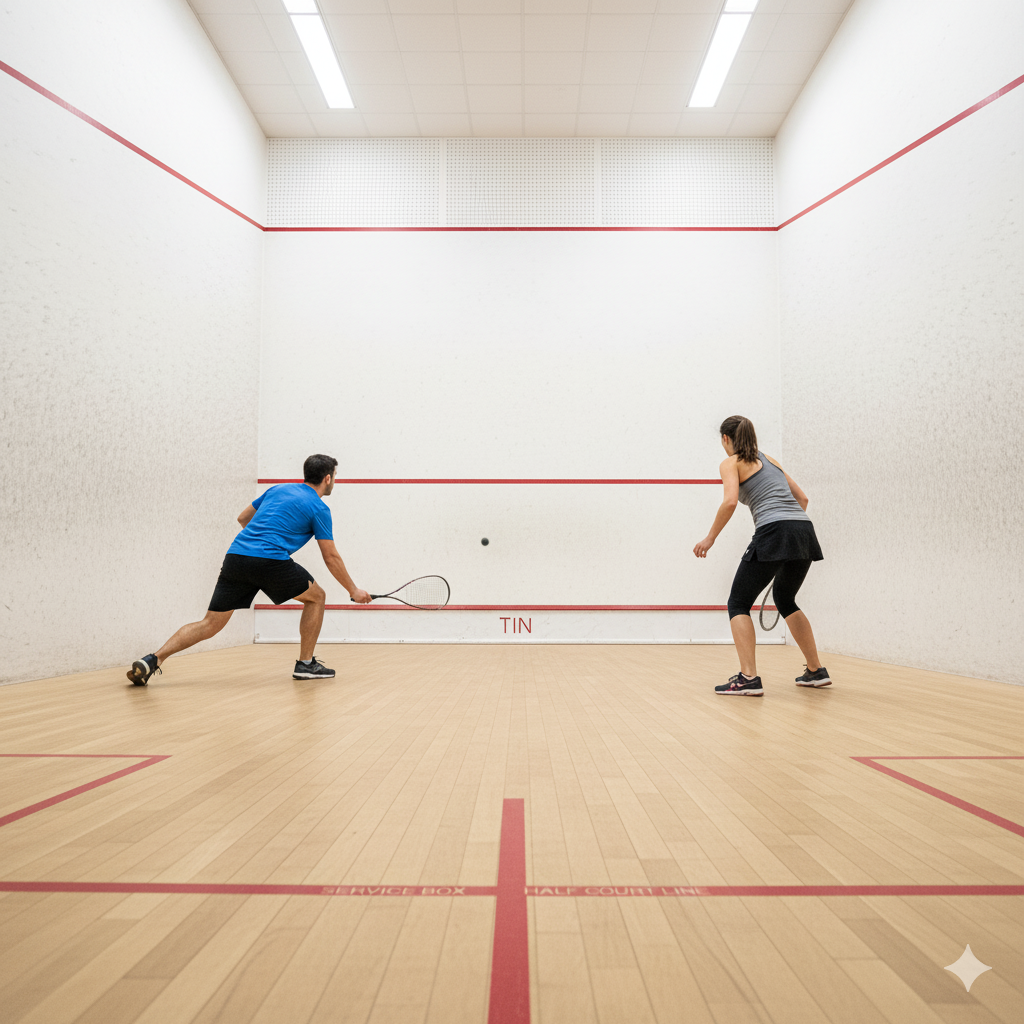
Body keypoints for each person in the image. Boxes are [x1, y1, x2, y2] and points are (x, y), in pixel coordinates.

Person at [127, 454, 371, 685]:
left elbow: (243, 518)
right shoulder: (319, 508)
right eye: (335, 476)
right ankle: (305, 665)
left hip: (236, 557)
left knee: (210, 623)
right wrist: (353, 589)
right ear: (328, 478)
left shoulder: (277, 489)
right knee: (317, 598)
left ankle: (153, 659)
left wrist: (259, 541)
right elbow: (330, 556)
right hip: (271, 561)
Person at [693, 416, 831, 695]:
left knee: (738, 602)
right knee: (785, 598)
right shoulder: (770, 460)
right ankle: (816, 671)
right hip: (802, 530)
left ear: (726, 439)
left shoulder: (730, 463)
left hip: (775, 530)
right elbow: (802, 499)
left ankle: (748, 678)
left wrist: (710, 538)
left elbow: (730, 501)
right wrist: (788, 539)